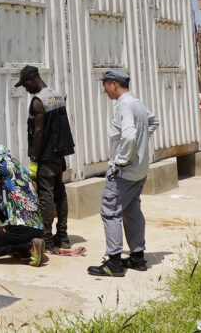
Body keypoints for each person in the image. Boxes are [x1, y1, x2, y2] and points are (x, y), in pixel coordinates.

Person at [88, 68, 160, 277]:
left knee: (110, 213)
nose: (104, 90)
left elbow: (128, 137)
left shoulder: (124, 105)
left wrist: (121, 160)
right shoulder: (135, 102)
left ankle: (114, 263)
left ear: (113, 83)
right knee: (131, 210)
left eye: (105, 85)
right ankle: (137, 258)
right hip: (140, 170)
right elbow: (153, 121)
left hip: (125, 172)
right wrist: (141, 145)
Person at [14, 65, 76, 250]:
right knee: (60, 193)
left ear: (32, 80)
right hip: (60, 154)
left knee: (46, 195)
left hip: (46, 156)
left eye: (26, 85)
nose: (26, 89)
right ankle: (63, 236)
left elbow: (39, 131)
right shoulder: (56, 95)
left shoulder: (38, 101)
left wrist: (34, 158)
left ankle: (47, 239)